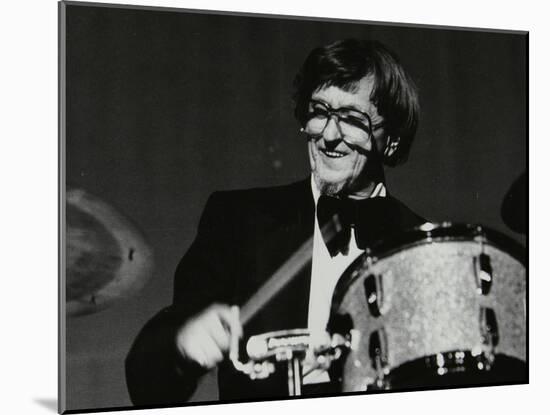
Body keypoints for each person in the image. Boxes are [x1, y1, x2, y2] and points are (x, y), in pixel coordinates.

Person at [125, 38, 424, 406]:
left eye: (351, 119)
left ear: (391, 141)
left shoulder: (424, 247)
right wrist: (184, 344)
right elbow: (148, 380)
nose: (330, 135)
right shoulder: (240, 220)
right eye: (320, 112)